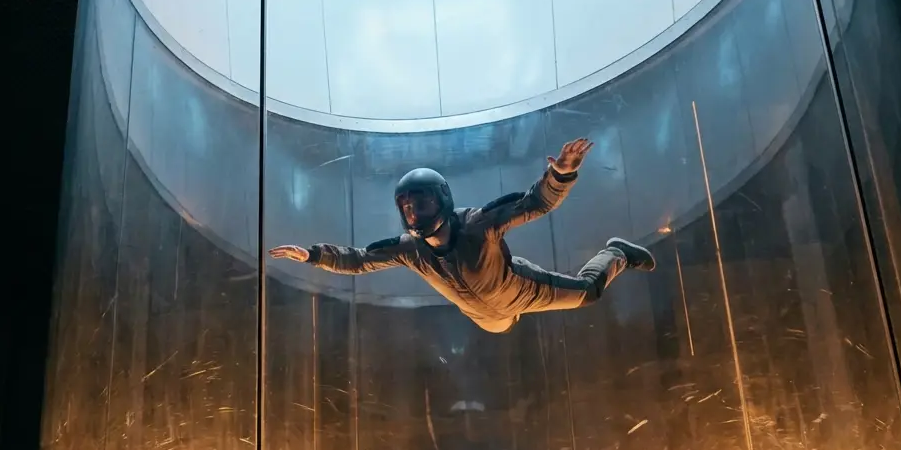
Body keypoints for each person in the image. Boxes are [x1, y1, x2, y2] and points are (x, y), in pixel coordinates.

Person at [269, 139, 656, 334]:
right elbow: (358, 260)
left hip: (519, 291)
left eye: (420, 205)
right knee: (502, 323)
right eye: (406, 208)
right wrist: (312, 255)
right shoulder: (410, 250)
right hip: (485, 319)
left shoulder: (479, 224)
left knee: (589, 293)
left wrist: (562, 173)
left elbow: (535, 203)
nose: (413, 214)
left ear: (442, 201)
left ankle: (616, 253)